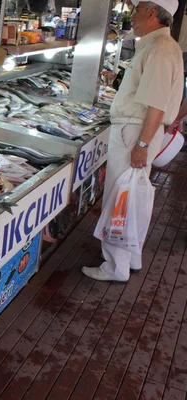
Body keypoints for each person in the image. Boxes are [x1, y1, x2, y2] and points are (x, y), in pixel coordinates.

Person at [82, 0, 183, 283]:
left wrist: (142, 145)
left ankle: (115, 266)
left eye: (137, 9)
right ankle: (131, 256)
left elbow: (156, 105)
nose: (133, 16)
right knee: (134, 196)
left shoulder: (160, 49)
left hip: (135, 132)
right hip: (137, 131)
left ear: (151, 13)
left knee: (120, 197)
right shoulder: (159, 46)